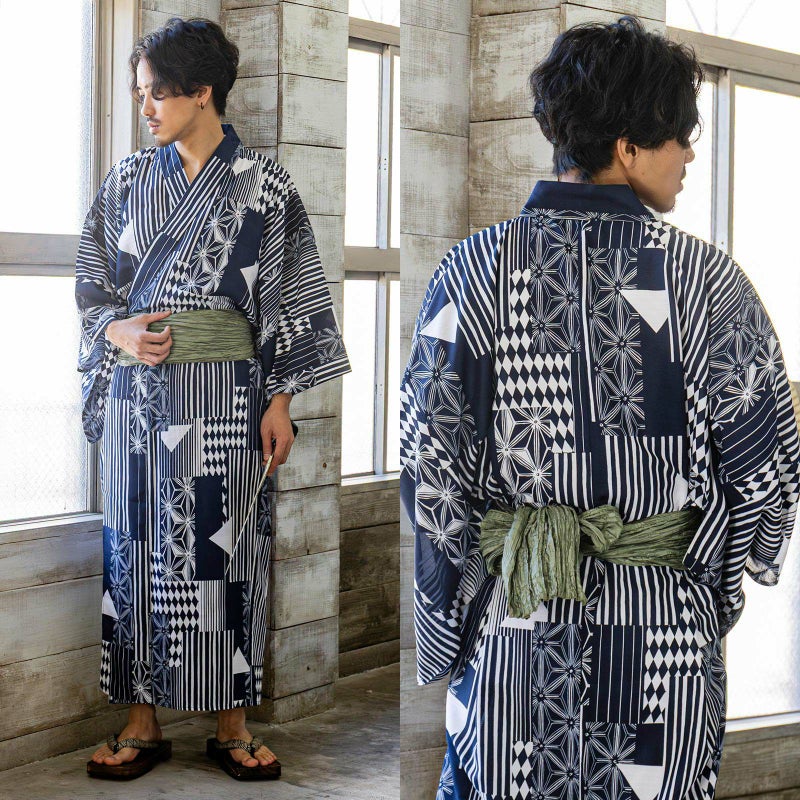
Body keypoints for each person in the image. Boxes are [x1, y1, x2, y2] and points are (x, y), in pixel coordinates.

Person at [399, 15, 800, 800]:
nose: (689, 155)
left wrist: (462, 614)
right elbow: (768, 476)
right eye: (680, 136)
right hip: (664, 640)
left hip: (515, 630)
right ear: (628, 146)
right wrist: (709, 585)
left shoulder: (472, 272)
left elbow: (432, 474)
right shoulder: (710, 285)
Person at [76, 17, 351, 780]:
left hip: (228, 396)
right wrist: (117, 330)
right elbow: (91, 283)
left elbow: (293, 294)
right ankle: (141, 721)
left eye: (156, 94)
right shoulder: (127, 182)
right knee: (133, 550)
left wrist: (281, 398)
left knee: (224, 550)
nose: (145, 109)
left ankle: (231, 724)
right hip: (139, 400)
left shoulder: (266, 186)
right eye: (139, 95)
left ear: (202, 92)